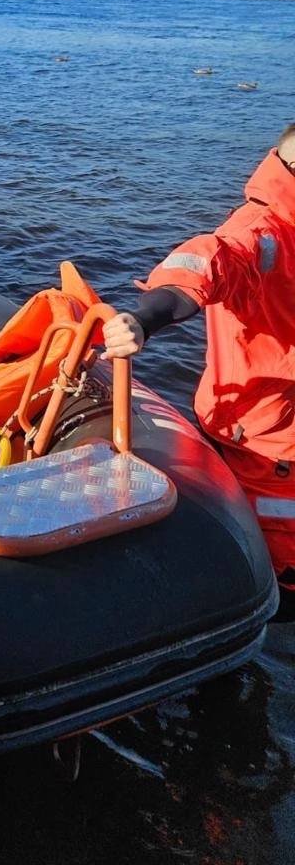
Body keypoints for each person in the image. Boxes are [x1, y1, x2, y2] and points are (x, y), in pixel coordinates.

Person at [103, 124, 295, 590]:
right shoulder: (259, 234)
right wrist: (144, 319)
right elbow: (203, 265)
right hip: (266, 439)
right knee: (278, 562)